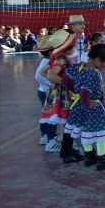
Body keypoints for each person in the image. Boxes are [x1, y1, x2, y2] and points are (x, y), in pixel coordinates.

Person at [64, 44, 105, 171]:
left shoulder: (79, 66)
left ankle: (89, 157)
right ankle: (102, 160)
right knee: (100, 134)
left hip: (78, 106)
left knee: (85, 131)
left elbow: (66, 78)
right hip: (92, 108)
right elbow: (85, 92)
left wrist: (71, 92)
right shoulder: (93, 73)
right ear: (98, 60)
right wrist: (88, 103)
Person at [39, 29, 84, 162]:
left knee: (67, 123)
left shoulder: (58, 57)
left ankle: (68, 150)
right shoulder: (61, 59)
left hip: (59, 92)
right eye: (72, 46)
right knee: (68, 123)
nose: (74, 48)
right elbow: (50, 74)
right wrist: (66, 83)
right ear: (67, 47)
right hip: (63, 94)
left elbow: (43, 71)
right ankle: (67, 153)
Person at [35, 36, 54, 147]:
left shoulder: (47, 61)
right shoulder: (47, 62)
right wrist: (50, 84)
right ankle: (48, 137)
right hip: (47, 92)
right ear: (51, 52)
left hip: (45, 91)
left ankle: (46, 136)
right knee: (49, 115)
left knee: (47, 114)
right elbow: (38, 76)